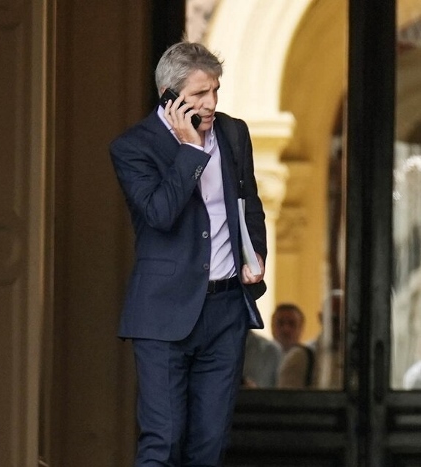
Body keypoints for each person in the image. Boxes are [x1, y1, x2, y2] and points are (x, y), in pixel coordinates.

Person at [110, 40, 267, 466]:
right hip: (163, 314)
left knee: (209, 445)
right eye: (200, 93)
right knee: (163, 442)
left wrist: (255, 255)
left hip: (226, 311)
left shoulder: (234, 133)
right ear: (170, 96)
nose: (212, 102)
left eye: (215, 90)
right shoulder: (133, 147)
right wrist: (191, 150)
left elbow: (249, 202)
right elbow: (159, 214)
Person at [278, 292, 343, 389]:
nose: (340, 326)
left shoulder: (355, 357)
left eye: (344, 319)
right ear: (321, 318)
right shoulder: (300, 358)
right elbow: (287, 397)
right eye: (335, 319)